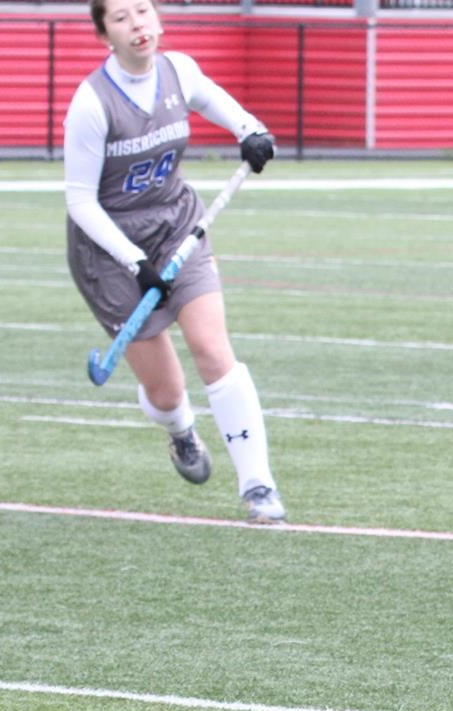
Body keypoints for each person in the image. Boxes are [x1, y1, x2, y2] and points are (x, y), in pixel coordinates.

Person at [64, 0, 286, 523]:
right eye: (121, 18)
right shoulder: (91, 104)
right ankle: (180, 432)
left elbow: (222, 105)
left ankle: (258, 486)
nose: (137, 24)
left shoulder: (178, 70)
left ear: (159, 19)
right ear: (104, 35)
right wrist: (134, 261)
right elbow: (79, 201)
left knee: (212, 348)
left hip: (176, 227)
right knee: (165, 390)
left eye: (143, 10)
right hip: (109, 250)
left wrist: (250, 131)